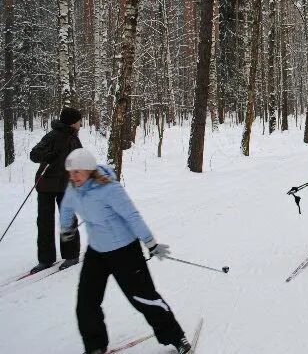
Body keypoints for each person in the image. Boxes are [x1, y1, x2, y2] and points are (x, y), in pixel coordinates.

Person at [59, 149, 192, 354]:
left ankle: (177, 337)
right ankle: (95, 347)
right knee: (86, 301)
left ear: (89, 170)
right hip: (96, 251)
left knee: (143, 298)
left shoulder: (109, 189)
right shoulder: (73, 188)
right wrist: (66, 227)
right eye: (70, 172)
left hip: (125, 251)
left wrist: (150, 243)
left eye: (77, 171)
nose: (73, 176)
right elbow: (66, 207)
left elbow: (132, 216)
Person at [28, 106, 83, 274]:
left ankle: (71, 254)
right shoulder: (52, 136)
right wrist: (47, 155)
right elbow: (34, 154)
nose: (81, 125)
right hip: (46, 185)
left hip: (66, 186)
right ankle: (45, 259)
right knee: (44, 222)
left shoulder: (74, 139)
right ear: (73, 123)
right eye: (79, 122)